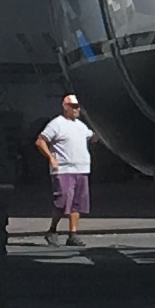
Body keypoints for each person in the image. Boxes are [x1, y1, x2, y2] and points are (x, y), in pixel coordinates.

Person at [38, 93, 97, 244]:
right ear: (66, 107)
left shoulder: (81, 126)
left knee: (78, 203)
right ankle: (52, 230)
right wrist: (51, 158)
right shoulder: (56, 124)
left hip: (81, 169)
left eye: (78, 107)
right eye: (74, 107)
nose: (77, 110)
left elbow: (93, 137)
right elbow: (40, 141)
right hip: (64, 169)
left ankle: (73, 234)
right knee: (63, 201)